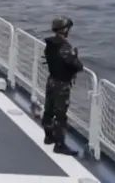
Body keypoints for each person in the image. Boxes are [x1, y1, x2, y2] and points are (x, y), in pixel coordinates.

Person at [42, 16, 83, 156]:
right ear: (65, 30)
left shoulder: (50, 44)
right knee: (60, 115)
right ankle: (60, 145)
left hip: (51, 81)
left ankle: (48, 137)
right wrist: (75, 57)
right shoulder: (65, 47)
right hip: (61, 85)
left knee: (48, 110)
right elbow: (77, 66)